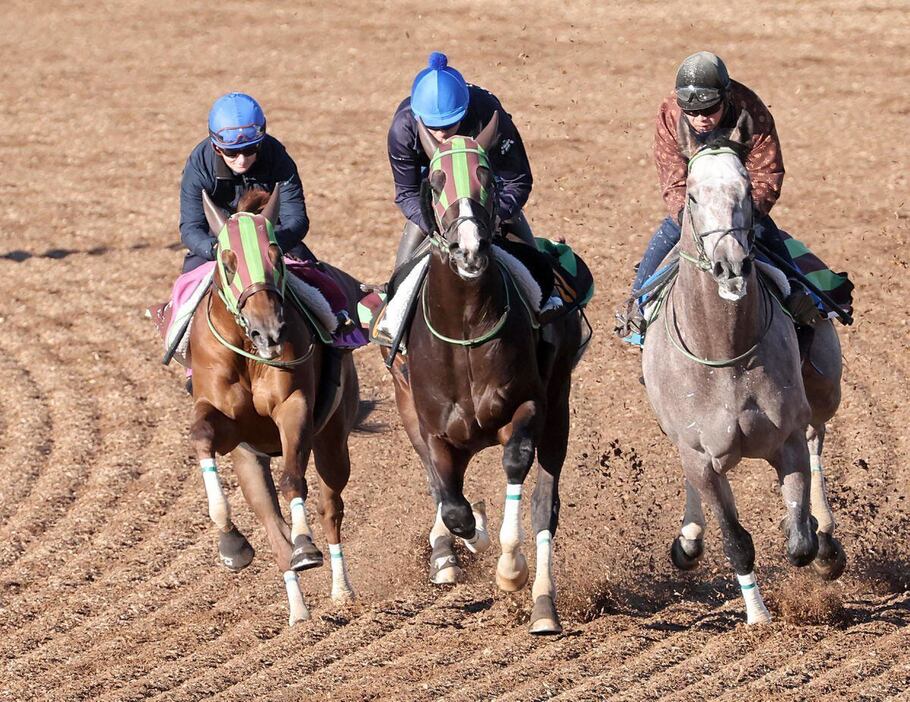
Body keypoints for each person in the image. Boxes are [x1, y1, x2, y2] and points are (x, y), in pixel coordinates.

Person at [630, 51, 819, 325]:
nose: (700, 119)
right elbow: (672, 174)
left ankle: (797, 298)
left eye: (709, 110)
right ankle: (636, 304)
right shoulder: (669, 112)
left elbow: (767, 172)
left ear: (726, 96)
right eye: (692, 112)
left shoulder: (751, 110)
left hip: (739, 200)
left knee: (769, 235)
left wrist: (745, 212)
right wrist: (686, 214)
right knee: (666, 235)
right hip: (697, 202)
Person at [387, 52, 535, 267]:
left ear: (465, 112)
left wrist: (495, 215)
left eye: (448, 125)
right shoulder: (402, 130)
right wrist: (432, 221)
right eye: (432, 127)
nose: (441, 135)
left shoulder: (489, 113)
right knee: (399, 281)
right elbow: (406, 193)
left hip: (487, 195)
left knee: (535, 266)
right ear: (418, 118)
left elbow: (517, 180)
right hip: (437, 200)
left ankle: (549, 295)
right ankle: (394, 295)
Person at [178, 92, 310, 272]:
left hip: (272, 236)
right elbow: (191, 227)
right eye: (231, 153)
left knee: (320, 282)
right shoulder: (199, 165)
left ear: (261, 142)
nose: (241, 160)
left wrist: (265, 244)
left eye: (250, 150)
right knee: (183, 293)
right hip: (218, 242)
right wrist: (214, 249)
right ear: (216, 147)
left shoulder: (277, 157)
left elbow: (296, 219)